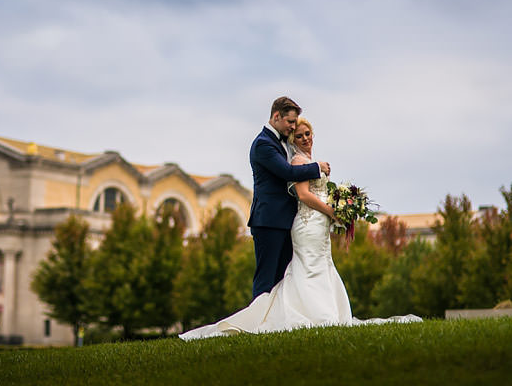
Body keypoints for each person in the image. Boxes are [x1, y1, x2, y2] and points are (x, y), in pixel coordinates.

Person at [179, 116, 419, 340]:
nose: (305, 139)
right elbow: (303, 195)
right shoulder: (298, 161)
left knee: (322, 264)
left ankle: (329, 312)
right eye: (299, 136)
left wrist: (341, 206)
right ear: (293, 140)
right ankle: (309, 314)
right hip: (306, 224)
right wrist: (331, 211)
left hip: (319, 226)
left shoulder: (312, 162)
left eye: (307, 134)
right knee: (308, 267)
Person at [247, 97, 329, 300]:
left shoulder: (283, 143)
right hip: (268, 221)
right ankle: (258, 323)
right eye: (290, 122)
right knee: (266, 278)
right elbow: (287, 172)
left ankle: (275, 322)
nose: (293, 127)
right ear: (276, 116)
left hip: (285, 220)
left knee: (282, 279)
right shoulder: (263, 144)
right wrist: (318, 167)